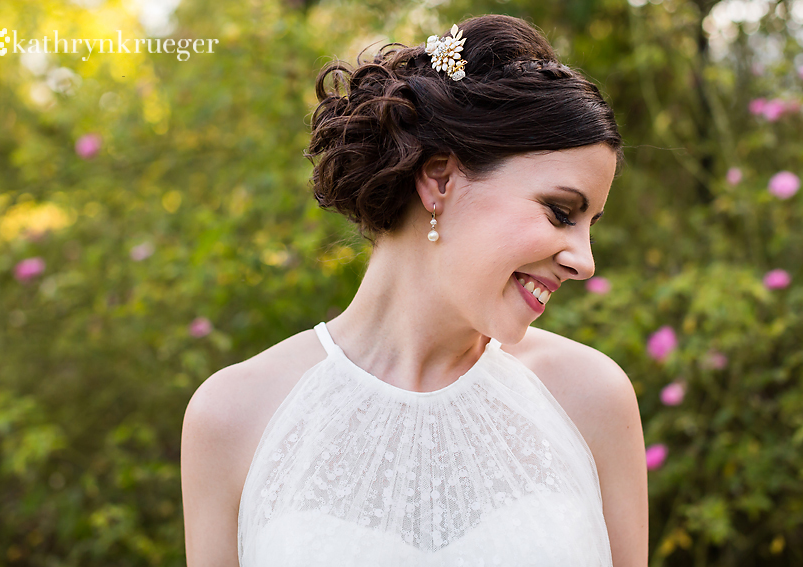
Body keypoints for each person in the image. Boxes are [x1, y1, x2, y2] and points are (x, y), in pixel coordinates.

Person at [181, 14, 648, 567]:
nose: (585, 262)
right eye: (560, 211)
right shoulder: (233, 415)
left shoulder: (590, 397)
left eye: (590, 223)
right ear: (441, 178)